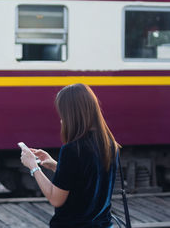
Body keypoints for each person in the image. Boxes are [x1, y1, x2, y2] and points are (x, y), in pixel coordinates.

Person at [20, 83, 120, 228]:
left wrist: (33, 167)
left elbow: (56, 199)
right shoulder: (109, 144)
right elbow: (85, 180)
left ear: (71, 114)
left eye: (62, 113)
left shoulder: (73, 149)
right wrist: (55, 165)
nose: (61, 119)